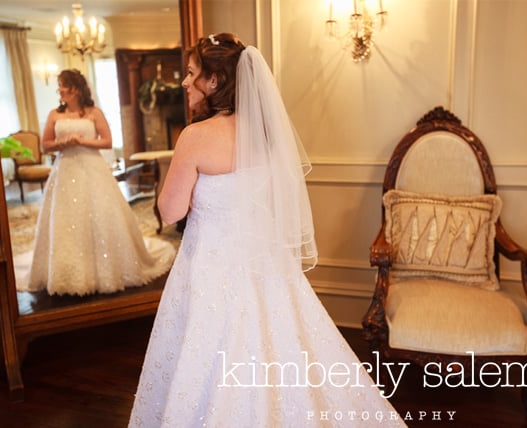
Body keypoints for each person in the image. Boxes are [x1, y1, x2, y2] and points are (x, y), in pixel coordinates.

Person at [128, 34, 405, 426]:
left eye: (192, 74)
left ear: (215, 80)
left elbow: (170, 210)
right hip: (267, 264)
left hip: (209, 270)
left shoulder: (195, 137)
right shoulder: (268, 134)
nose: (185, 82)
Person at [21, 69, 176, 296]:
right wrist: (62, 143)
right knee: (67, 217)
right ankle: (69, 269)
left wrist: (82, 141)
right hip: (65, 169)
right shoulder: (55, 114)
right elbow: (45, 145)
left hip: (92, 167)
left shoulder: (94, 113)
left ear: (75, 88)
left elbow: (107, 141)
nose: (59, 90)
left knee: (100, 214)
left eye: (63, 86)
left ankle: (106, 267)